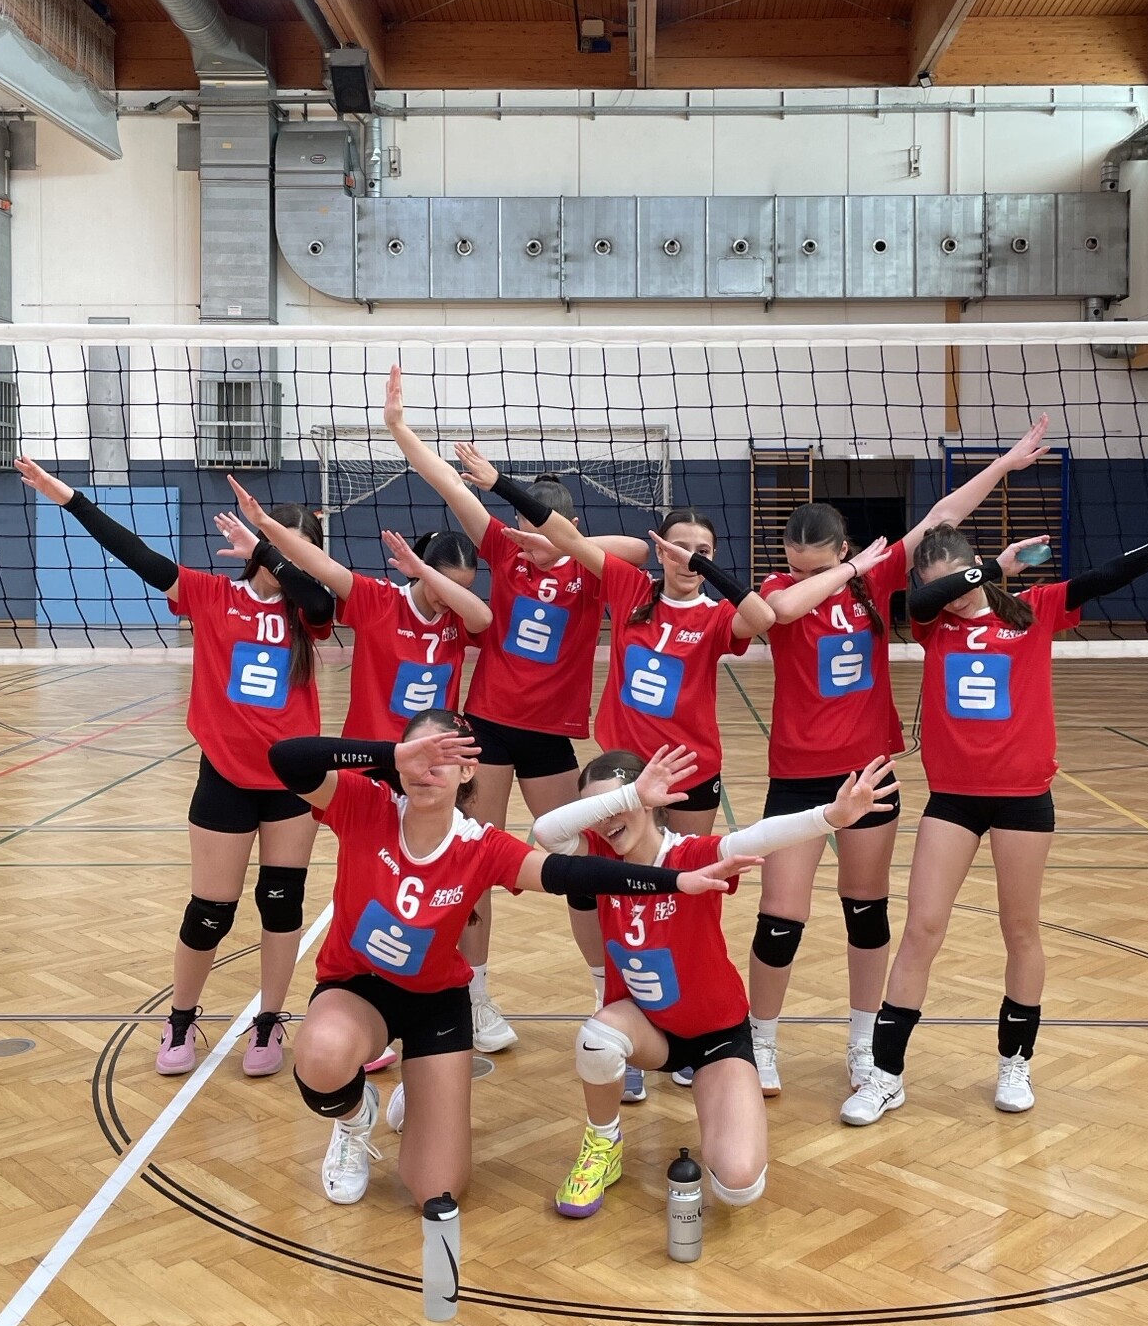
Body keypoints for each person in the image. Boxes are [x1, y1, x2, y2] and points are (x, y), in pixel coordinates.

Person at [841, 481, 1148, 1127]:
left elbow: (1107, 576)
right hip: (953, 800)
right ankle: (886, 1075)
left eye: (962, 580)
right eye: (944, 585)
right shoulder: (933, 623)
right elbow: (922, 598)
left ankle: (1014, 1063)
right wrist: (991, 568)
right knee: (922, 930)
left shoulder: (1033, 610)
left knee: (1020, 930)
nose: (955, 594)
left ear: (975, 566)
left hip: (1024, 799)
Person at [266, 714, 752, 1208]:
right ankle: (354, 1121)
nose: (426, 769)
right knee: (323, 1054)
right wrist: (389, 755)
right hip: (358, 988)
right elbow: (286, 758)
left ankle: (423, 1087)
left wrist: (674, 881)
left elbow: (571, 873)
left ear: (468, 771)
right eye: (417, 756)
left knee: (437, 1190)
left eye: (443, 758)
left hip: (435, 1004)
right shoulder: (366, 803)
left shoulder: (481, 845)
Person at [752, 418, 1054, 1103]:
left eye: (818, 565)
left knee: (866, 911)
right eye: (796, 565)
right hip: (797, 773)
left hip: (868, 771)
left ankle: (864, 1043)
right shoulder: (782, 588)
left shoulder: (878, 581)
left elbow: (943, 516)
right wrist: (845, 572)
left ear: (843, 548)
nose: (803, 576)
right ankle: (760, 1040)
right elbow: (780, 612)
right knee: (781, 917)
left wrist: (1002, 465)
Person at [15, 456, 335, 1078]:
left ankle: (268, 1022)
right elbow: (137, 554)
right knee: (210, 912)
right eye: (283, 551)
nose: (290, 565)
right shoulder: (212, 596)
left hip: (293, 783)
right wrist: (68, 498)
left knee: (282, 904)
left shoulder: (308, 614)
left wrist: (270, 551)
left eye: (301, 554)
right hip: (226, 778)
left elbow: (319, 597)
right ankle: (181, 1019)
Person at [383, 366, 648, 1061]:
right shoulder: (503, 551)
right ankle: (473, 996)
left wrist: (560, 542)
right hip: (491, 727)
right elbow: (450, 487)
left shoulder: (591, 569)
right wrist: (401, 431)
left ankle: (610, 994)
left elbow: (641, 550)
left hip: (552, 737)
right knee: (472, 854)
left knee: (582, 858)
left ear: (568, 528)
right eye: (521, 527)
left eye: (538, 528)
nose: (524, 537)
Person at [532, 744, 897, 1220]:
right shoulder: (598, 860)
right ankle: (603, 1143)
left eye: (618, 803)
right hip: (647, 1030)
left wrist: (831, 816)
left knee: (738, 1185)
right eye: (597, 810)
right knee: (597, 1039)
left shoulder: (690, 855)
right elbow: (546, 831)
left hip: (714, 1037)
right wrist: (628, 797)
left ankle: (718, 1102)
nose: (606, 820)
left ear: (651, 802)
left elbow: (759, 836)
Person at [492, 488, 773, 1102]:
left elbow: (763, 618)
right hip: (622, 775)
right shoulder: (631, 589)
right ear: (660, 549)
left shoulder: (717, 616)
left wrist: (705, 570)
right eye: (680, 548)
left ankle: (691, 1025)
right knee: (600, 893)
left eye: (703, 551)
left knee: (690, 895)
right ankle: (617, 1010)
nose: (690, 558)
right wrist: (500, 485)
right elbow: (569, 539)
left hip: (689, 774)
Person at [226, 475, 490, 737]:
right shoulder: (379, 600)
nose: (449, 597)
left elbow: (483, 618)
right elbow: (324, 565)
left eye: (460, 590)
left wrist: (423, 571)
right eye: (444, 584)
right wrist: (262, 523)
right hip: (371, 752)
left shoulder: (459, 616)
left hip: (434, 751)